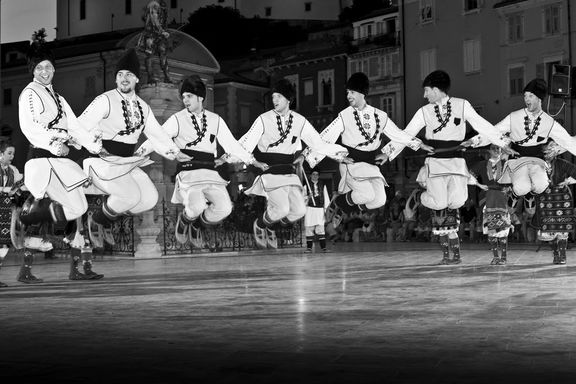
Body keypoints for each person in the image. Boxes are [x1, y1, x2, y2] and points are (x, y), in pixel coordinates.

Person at [383, 70, 508, 265]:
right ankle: (419, 196)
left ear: (436, 89)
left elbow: (482, 125)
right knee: (439, 202)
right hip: (436, 162)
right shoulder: (424, 111)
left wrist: (501, 141)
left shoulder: (462, 105)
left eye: (427, 91)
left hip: (457, 162)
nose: (424, 95)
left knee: (459, 200)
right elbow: (407, 133)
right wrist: (388, 152)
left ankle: (444, 230)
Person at [137, 75, 266, 247]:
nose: (185, 100)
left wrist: (252, 160)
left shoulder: (215, 120)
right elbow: (157, 138)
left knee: (225, 208)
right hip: (189, 171)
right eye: (183, 97)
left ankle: (197, 225)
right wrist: (138, 154)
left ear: (200, 97)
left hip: (210, 172)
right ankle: (184, 220)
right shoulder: (178, 119)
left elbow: (231, 144)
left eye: (189, 96)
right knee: (196, 206)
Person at [78, 48, 190, 248]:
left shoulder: (143, 107)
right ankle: (97, 222)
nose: (124, 78)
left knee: (149, 199)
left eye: (129, 74)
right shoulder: (105, 100)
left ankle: (107, 215)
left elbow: (158, 135)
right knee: (130, 195)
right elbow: (80, 126)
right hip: (101, 161)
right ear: (116, 79)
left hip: (126, 163)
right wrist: (82, 142)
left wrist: (175, 153)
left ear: (137, 79)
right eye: (120, 74)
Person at [16, 41, 103, 283]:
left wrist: (94, 145)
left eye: (49, 67)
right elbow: (30, 127)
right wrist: (56, 143)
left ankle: (44, 219)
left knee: (78, 208)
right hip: (44, 159)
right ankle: (35, 222)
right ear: (33, 70)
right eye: (40, 67)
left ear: (54, 69)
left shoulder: (59, 98)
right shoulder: (29, 93)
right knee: (72, 212)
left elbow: (75, 127)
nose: (45, 71)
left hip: (60, 162)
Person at [307, 72, 431, 227]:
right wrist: (307, 155)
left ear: (361, 93)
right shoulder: (344, 115)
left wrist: (416, 145)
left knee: (379, 200)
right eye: (347, 93)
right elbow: (326, 136)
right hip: (352, 162)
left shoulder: (380, 115)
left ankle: (342, 206)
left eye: (351, 92)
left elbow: (398, 134)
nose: (348, 96)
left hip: (371, 164)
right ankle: (338, 202)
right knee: (366, 194)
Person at [239, 78, 348, 249]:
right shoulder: (264, 119)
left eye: (279, 97)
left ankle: (271, 226)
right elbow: (246, 141)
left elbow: (317, 143)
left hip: (288, 171)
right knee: (282, 209)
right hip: (270, 170)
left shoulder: (299, 121)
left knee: (299, 210)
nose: (275, 100)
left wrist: (338, 154)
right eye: (273, 96)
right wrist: (252, 160)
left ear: (288, 99)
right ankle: (260, 224)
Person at [466, 78, 576, 197]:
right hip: (518, 159)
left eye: (530, 96)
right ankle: (515, 195)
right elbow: (494, 131)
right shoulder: (514, 117)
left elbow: (568, 141)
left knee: (541, 186)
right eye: (525, 96)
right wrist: (474, 141)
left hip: (537, 160)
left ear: (539, 99)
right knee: (521, 188)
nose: (526, 99)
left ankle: (530, 196)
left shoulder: (549, 122)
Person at [534, 142, 576, 264]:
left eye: (550, 150)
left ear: (556, 151)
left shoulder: (562, 163)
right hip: (545, 199)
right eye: (545, 151)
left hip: (562, 199)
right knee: (548, 229)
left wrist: (568, 180)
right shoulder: (537, 165)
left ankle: (562, 255)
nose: (547, 153)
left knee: (562, 228)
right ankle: (555, 254)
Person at [475, 145, 513, 265]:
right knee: (491, 229)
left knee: (503, 229)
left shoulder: (507, 163)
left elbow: (515, 178)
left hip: (502, 198)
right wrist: (480, 185)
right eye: (493, 148)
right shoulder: (482, 164)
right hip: (488, 197)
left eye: (498, 149)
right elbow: (469, 174)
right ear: (489, 151)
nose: (496, 151)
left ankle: (504, 257)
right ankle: (496, 257)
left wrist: (509, 188)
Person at [303, 171, 330, 253]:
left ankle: (323, 248)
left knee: (321, 229)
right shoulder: (306, 185)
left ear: (318, 176)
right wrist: (308, 197)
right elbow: (301, 198)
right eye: (313, 174)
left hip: (319, 209)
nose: (315, 176)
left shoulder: (323, 185)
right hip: (309, 209)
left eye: (317, 174)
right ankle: (309, 248)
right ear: (310, 175)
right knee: (309, 228)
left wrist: (326, 210)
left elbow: (326, 198)